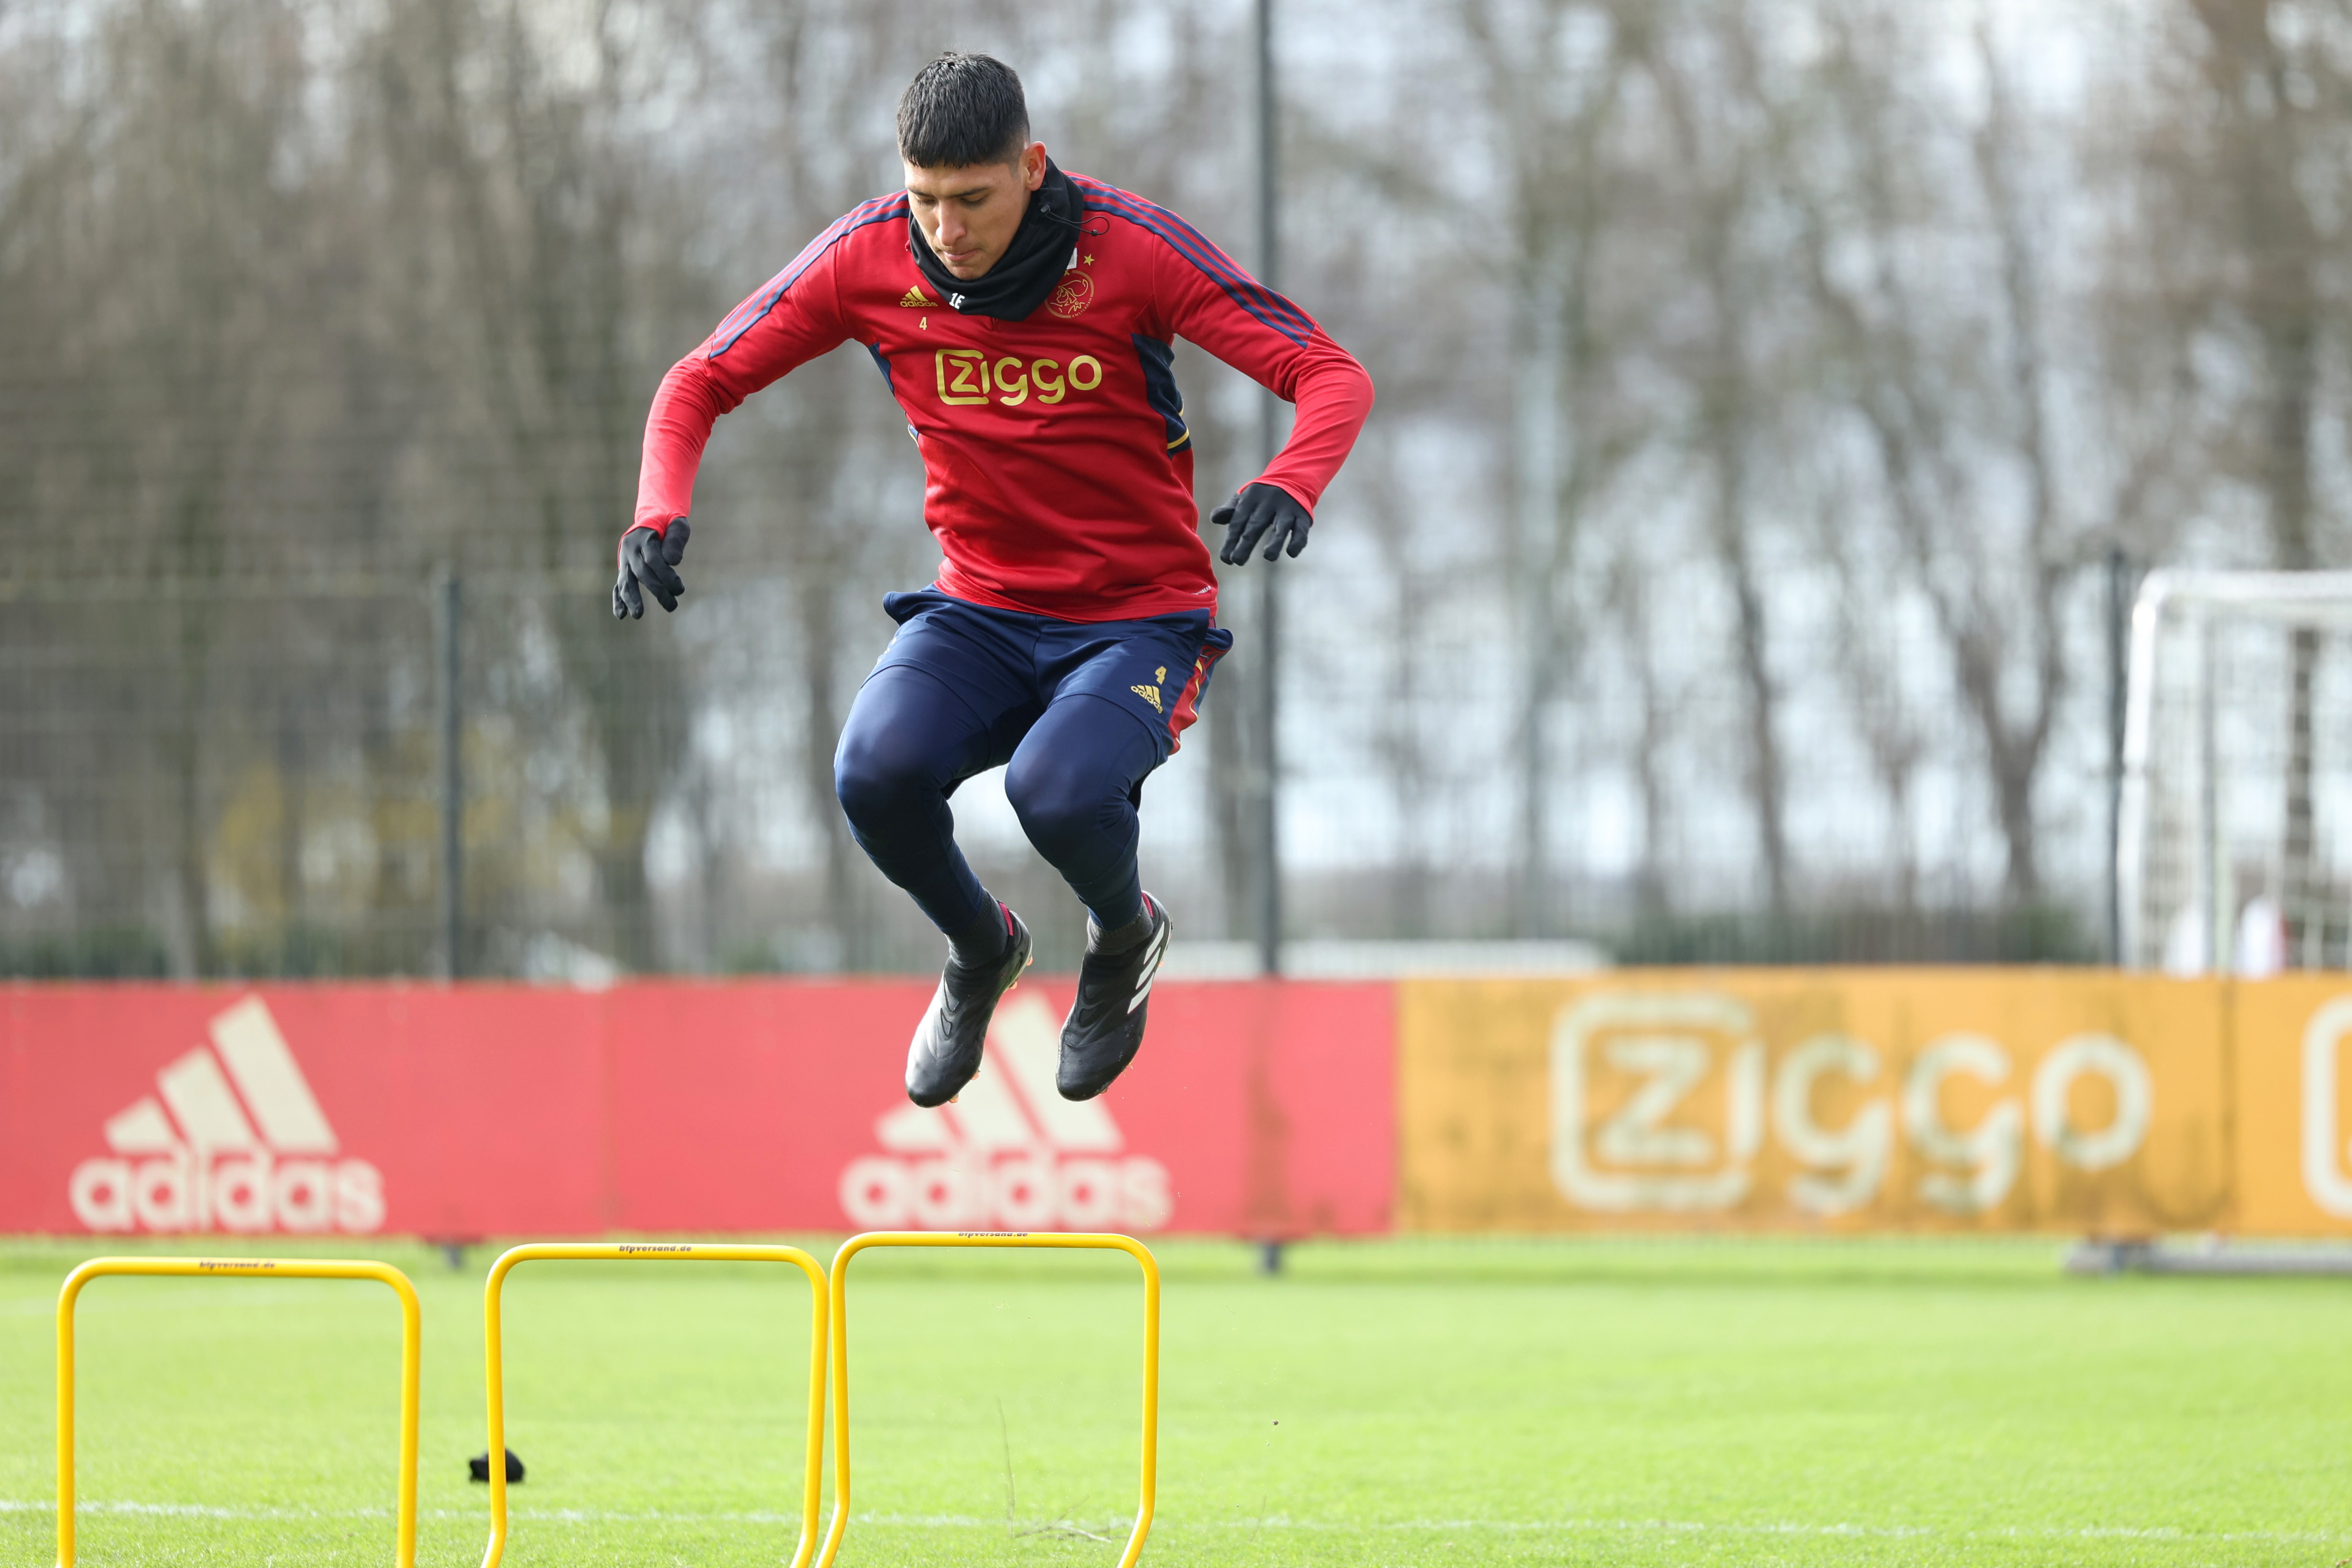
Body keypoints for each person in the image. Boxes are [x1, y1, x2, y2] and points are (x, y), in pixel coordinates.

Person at [617, 52, 1372, 1107]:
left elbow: (1329, 372)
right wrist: (657, 507)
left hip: (1136, 617)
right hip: (980, 610)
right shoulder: (866, 258)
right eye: (924, 198)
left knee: (1053, 794)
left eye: (972, 198)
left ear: (1031, 165)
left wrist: (1293, 479)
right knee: (871, 775)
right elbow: (698, 379)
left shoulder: (1132, 252)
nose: (946, 228)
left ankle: (1124, 935)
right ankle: (981, 948)